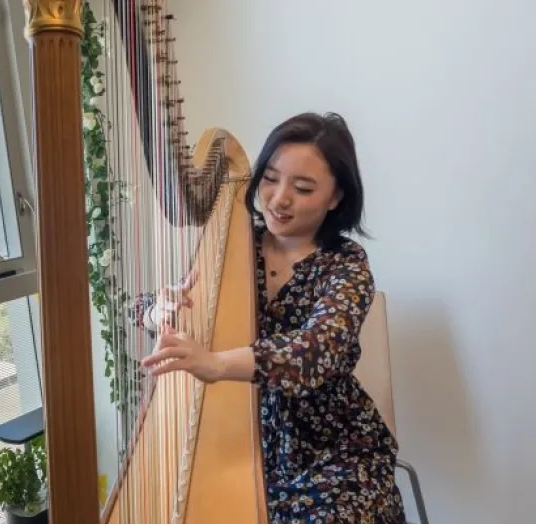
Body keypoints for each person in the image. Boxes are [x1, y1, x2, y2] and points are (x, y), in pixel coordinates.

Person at [129, 112, 407, 523]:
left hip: (333, 446)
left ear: (336, 197)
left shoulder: (345, 264)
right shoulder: (235, 250)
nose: (278, 199)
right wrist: (159, 310)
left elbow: (316, 351)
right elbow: (139, 306)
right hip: (247, 435)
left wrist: (217, 362)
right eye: (271, 178)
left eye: (303, 187)